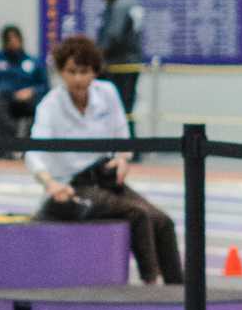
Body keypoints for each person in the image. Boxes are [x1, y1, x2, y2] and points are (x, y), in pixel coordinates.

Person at [26, 34, 182, 285]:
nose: (78, 78)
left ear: (95, 71)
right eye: (71, 71)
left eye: (84, 71)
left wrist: (122, 160)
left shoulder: (108, 94)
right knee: (137, 214)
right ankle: (151, 286)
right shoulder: (49, 106)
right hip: (73, 185)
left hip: (106, 180)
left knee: (163, 222)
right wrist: (50, 184)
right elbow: (33, 152)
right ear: (61, 72)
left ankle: (179, 292)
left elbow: (123, 138)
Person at [95, 0, 145, 133]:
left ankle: (123, 145)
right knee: (127, 106)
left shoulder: (120, 5)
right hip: (132, 62)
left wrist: (99, 57)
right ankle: (132, 145)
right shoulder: (134, 2)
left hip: (118, 63)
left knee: (117, 105)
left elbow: (114, 35)